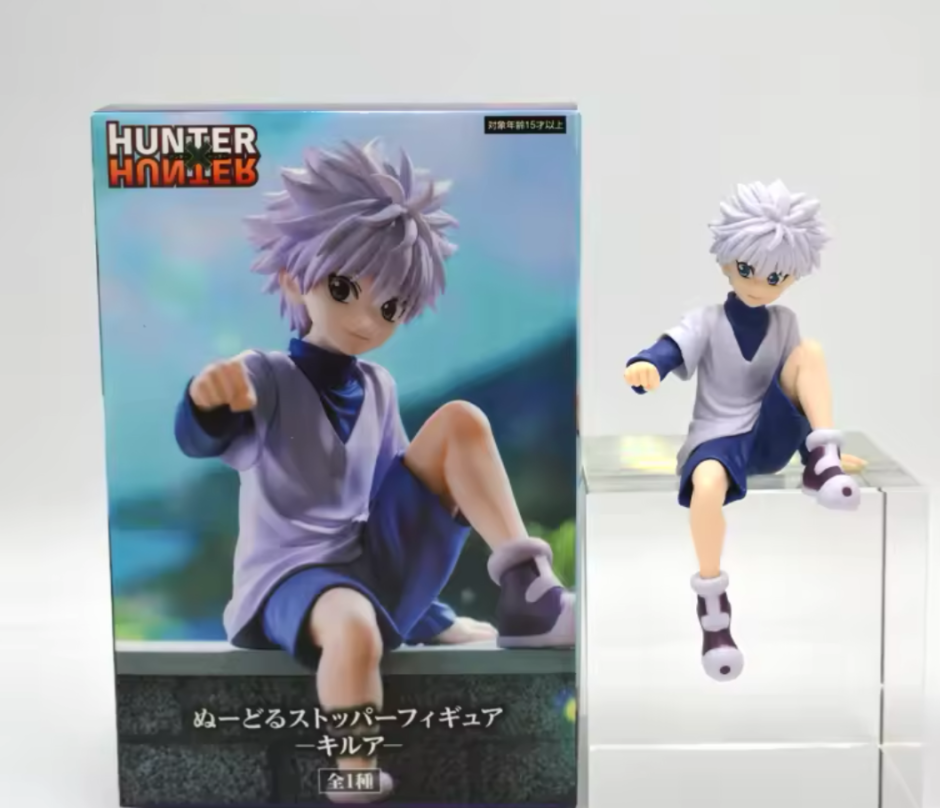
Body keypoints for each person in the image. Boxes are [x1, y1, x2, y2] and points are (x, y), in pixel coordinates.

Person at [174, 140, 575, 803]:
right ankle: (352, 763)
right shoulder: (264, 376)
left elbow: (399, 501)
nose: (366, 319)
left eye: (389, 308)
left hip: (365, 564)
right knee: (353, 624)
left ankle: (528, 593)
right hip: (292, 581)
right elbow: (202, 436)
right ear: (293, 278)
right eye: (344, 289)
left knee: (462, 421)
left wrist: (428, 615)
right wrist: (206, 401)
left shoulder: (379, 387)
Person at [624, 180, 862, 682]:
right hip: (717, 438)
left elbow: (800, 388)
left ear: (792, 277)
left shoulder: (785, 322)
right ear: (726, 261)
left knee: (811, 353)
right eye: (748, 268)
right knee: (707, 487)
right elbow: (672, 347)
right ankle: (713, 607)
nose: (758, 284)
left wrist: (813, 450)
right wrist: (649, 365)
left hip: (770, 435)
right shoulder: (707, 320)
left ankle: (823, 461)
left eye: (775, 276)